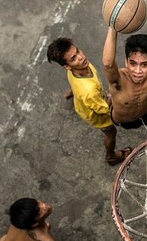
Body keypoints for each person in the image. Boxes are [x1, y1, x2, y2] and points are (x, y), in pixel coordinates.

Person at [47, 37, 131, 166]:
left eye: (78, 52)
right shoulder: (88, 91)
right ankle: (111, 156)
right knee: (111, 133)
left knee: (78, 90)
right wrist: (116, 96)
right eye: (73, 59)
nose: (80, 57)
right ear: (67, 67)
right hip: (96, 115)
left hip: (84, 98)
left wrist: (75, 91)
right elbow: (103, 109)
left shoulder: (77, 69)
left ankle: (72, 93)